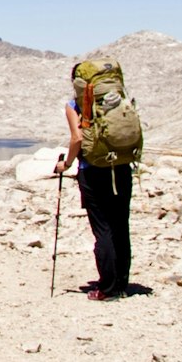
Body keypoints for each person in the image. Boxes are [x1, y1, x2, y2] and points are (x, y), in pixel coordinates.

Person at [55, 84, 133, 300]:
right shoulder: (117, 99)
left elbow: (77, 138)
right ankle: (121, 284)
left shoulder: (75, 105)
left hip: (93, 172)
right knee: (120, 225)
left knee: (103, 228)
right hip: (121, 168)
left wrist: (67, 164)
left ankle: (107, 289)